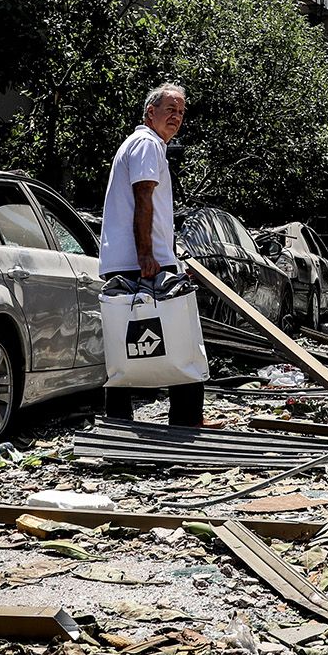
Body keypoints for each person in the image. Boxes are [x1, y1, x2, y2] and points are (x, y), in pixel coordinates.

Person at [98, 82, 203, 425]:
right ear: (150, 112)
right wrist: (147, 255)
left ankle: (119, 422)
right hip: (141, 263)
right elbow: (143, 197)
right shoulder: (147, 143)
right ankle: (186, 422)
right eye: (170, 109)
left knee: (124, 346)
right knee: (180, 338)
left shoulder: (143, 144)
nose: (176, 117)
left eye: (181, 112)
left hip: (136, 261)